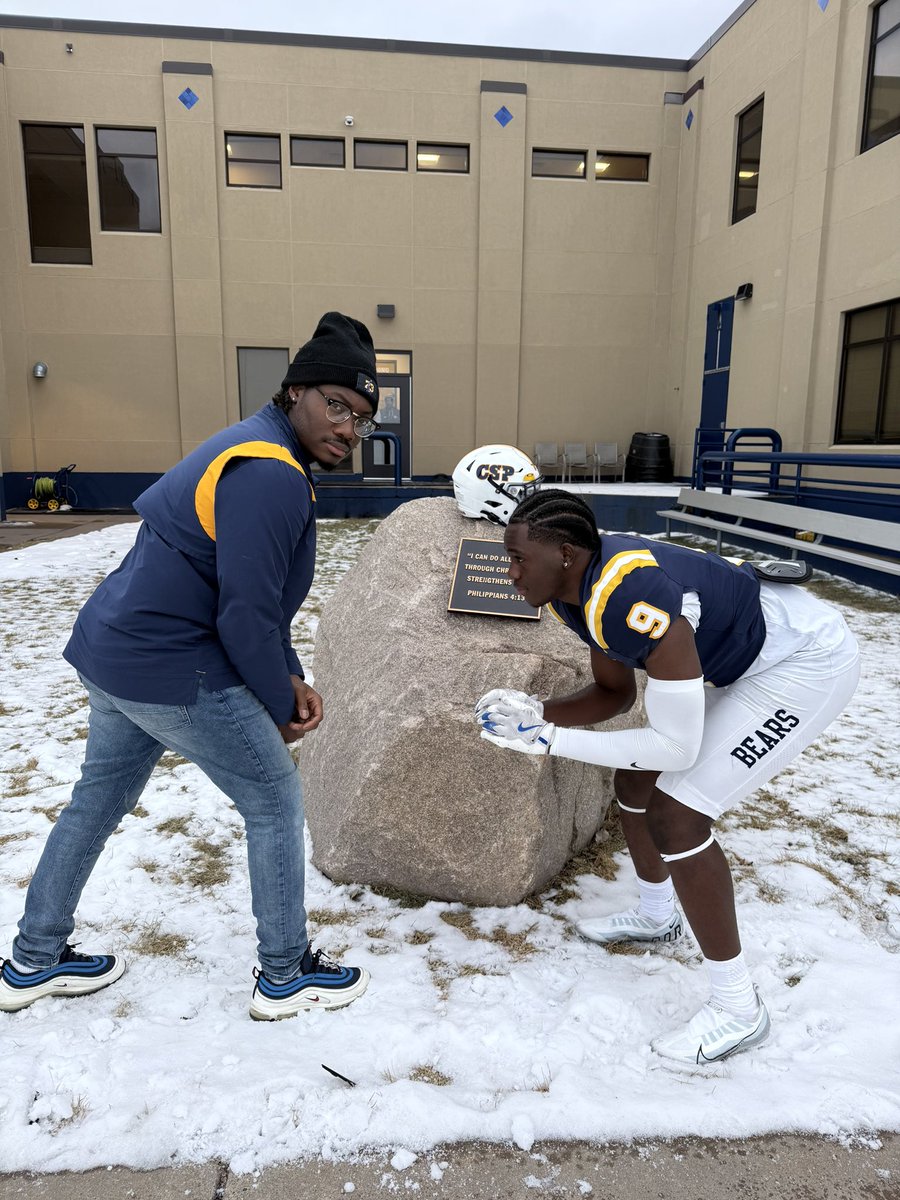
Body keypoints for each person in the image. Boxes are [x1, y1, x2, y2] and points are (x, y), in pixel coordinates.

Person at [1, 312, 382, 1022]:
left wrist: (286, 673)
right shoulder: (268, 473)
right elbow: (242, 616)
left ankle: (33, 958)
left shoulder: (255, 444)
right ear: (296, 390)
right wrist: (279, 700)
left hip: (116, 651)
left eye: (360, 418)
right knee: (273, 800)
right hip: (170, 664)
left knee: (97, 800)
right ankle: (283, 973)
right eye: (335, 404)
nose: (346, 428)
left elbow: (254, 599)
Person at [476, 489, 860, 1065]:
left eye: (518, 558)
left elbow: (676, 750)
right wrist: (538, 712)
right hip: (740, 654)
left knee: (678, 813)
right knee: (634, 784)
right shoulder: (571, 594)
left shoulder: (628, 595)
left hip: (802, 659)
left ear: (565, 552)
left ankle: (739, 1008)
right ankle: (658, 915)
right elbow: (614, 693)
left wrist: (550, 739)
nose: (509, 573)